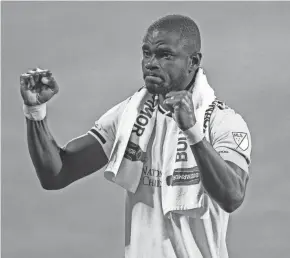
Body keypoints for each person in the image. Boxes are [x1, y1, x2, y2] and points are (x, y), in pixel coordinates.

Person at [20, 14, 251, 258]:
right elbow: (57, 174)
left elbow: (232, 197)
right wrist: (35, 112)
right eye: (146, 53)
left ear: (193, 61)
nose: (151, 63)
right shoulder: (130, 115)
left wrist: (192, 131)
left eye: (165, 55)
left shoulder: (222, 121)